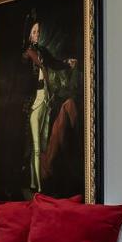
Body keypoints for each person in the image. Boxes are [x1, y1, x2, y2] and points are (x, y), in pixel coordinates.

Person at [20, 18, 77, 194]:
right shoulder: (28, 53)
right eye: (34, 31)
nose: (37, 34)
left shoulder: (42, 51)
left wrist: (67, 63)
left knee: (43, 142)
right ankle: (37, 186)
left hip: (46, 99)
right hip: (34, 100)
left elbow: (54, 63)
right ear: (29, 34)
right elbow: (37, 66)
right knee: (36, 145)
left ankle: (37, 181)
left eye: (39, 31)